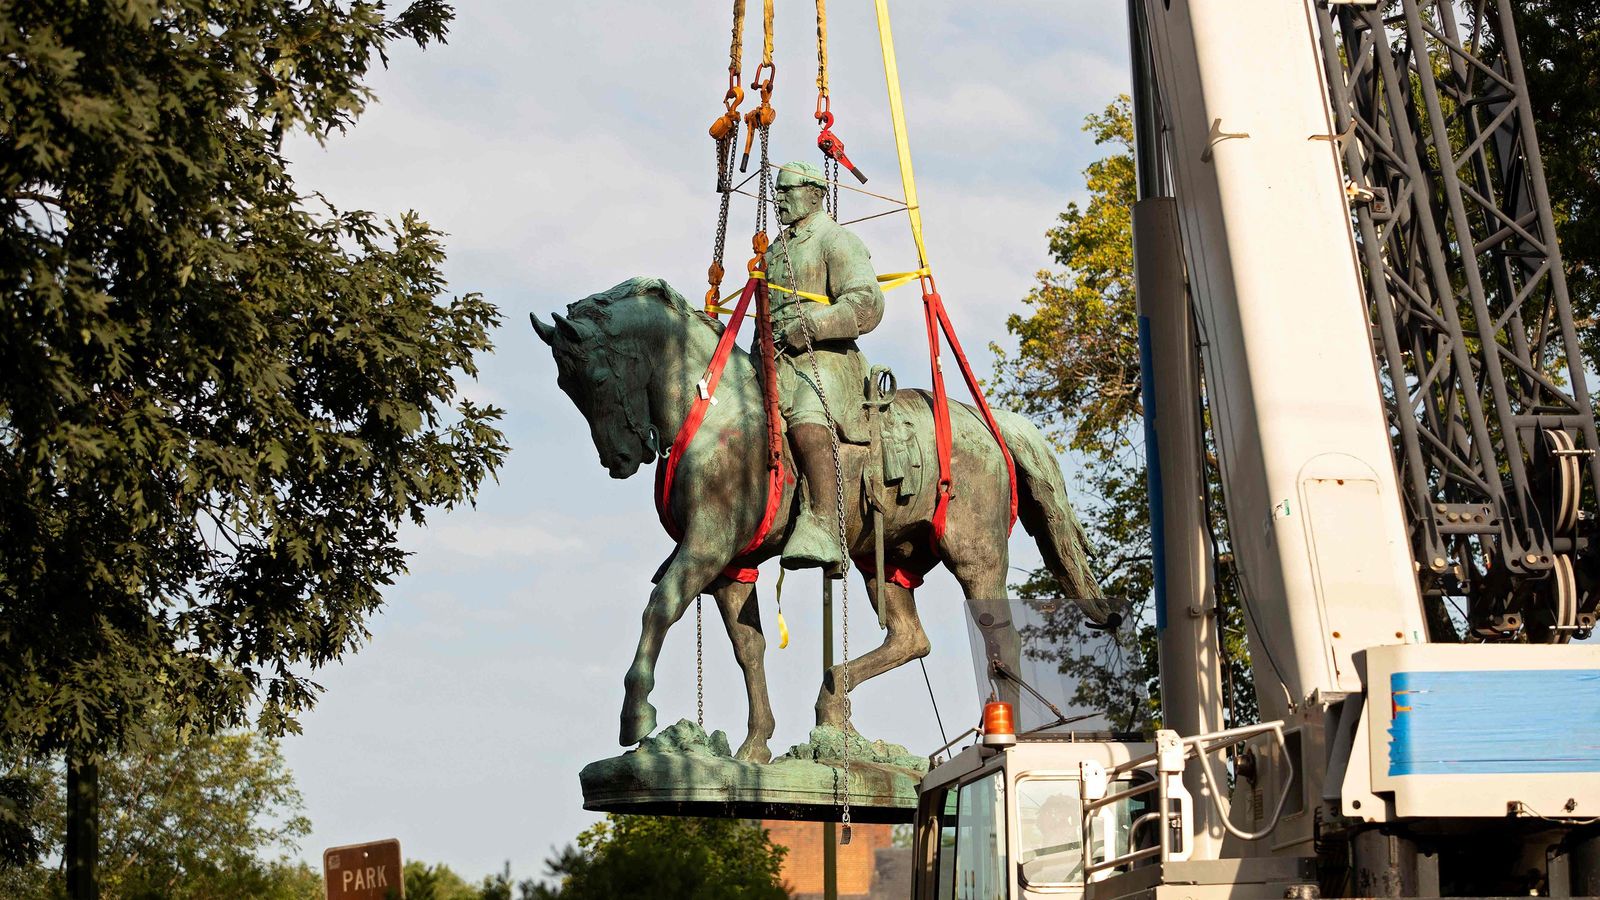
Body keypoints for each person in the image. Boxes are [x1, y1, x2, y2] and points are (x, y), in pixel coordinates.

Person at [762, 161, 885, 570]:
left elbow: (867, 302)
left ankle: (823, 523)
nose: (777, 199)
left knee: (807, 417)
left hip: (828, 360)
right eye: (776, 192)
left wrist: (813, 325)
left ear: (815, 193)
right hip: (777, 360)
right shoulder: (777, 249)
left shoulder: (836, 240)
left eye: (787, 191)